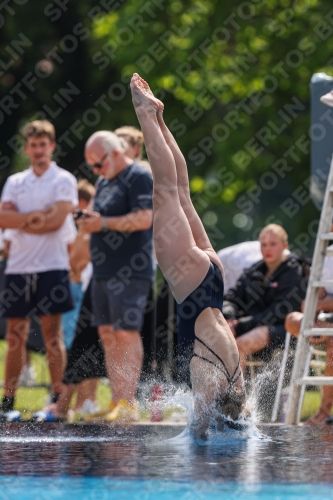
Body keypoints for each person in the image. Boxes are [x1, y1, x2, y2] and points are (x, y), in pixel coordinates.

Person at [130, 73, 248, 437]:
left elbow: (243, 425)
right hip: (193, 289)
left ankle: (159, 118)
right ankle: (146, 116)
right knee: (166, 192)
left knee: (181, 193)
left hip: (213, 280)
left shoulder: (238, 384)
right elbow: (200, 432)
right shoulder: (213, 384)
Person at [0, 120, 78, 417]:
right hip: (18, 267)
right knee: (14, 334)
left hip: (52, 265)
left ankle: (57, 395)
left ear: (52, 146)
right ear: (27, 148)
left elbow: (56, 221)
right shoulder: (15, 181)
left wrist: (22, 219)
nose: (37, 150)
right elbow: (3, 219)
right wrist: (37, 218)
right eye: (32, 145)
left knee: (52, 335)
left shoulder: (63, 179)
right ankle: (9, 398)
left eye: (42, 144)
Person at [77, 128, 154, 423]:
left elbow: (145, 217)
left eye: (99, 163)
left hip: (131, 269)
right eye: (92, 166)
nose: (96, 170)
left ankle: (129, 403)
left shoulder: (139, 176)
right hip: (102, 270)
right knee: (107, 335)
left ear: (117, 152)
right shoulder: (103, 180)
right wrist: (89, 221)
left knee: (125, 332)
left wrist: (104, 223)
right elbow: (99, 217)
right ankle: (116, 400)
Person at [223, 224, 307, 372]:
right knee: (217, 339)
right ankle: (214, 391)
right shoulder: (253, 271)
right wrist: (229, 318)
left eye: (273, 244)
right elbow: (230, 298)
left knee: (240, 344)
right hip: (252, 325)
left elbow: (277, 312)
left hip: (284, 329)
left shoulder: (294, 272)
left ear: (284, 246)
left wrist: (240, 325)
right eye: (264, 244)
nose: (267, 249)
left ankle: (238, 393)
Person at [285, 249, 333, 425]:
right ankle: (319, 331)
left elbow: (319, 302)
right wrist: (314, 310)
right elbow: (313, 301)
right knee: (292, 319)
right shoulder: (325, 255)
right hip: (324, 324)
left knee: (332, 340)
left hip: (328, 329)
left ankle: (324, 411)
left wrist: (321, 304)